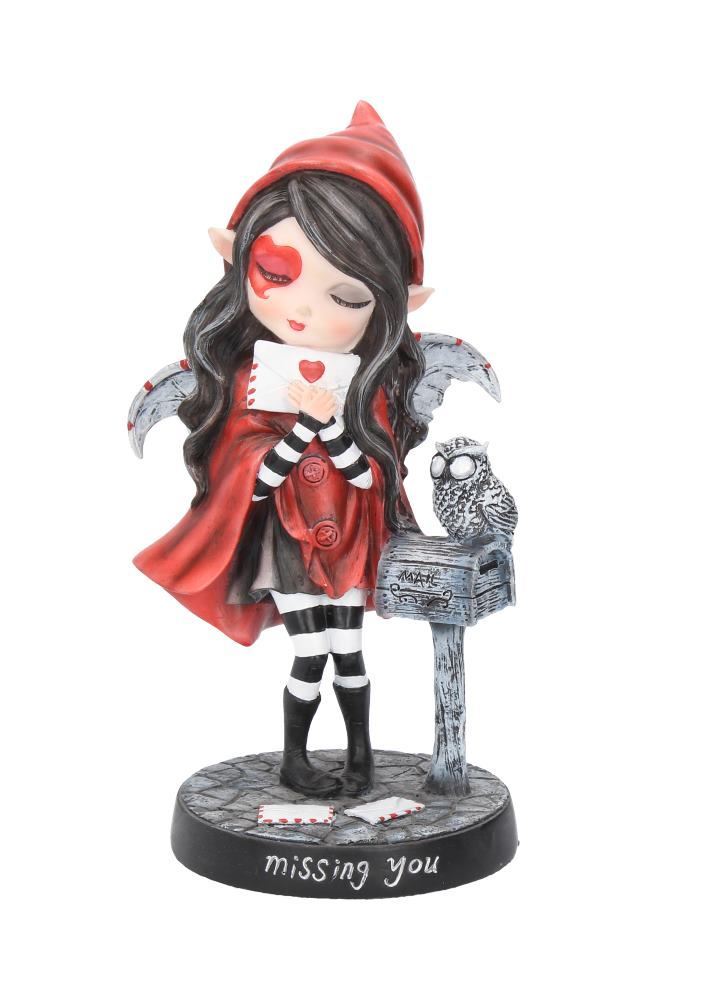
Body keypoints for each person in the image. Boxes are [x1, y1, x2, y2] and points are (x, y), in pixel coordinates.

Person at [133, 102, 435, 796]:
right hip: (289, 545)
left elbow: (371, 476)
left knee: (350, 652)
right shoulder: (246, 381)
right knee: (311, 653)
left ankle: (359, 755)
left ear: (396, 304)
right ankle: (297, 759)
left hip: (350, 541)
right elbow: (255, 480)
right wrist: (302, 428)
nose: (304, 310)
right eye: (276, 272)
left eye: (346, 296)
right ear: (238, 257)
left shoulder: (369, 387)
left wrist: (332, 426)